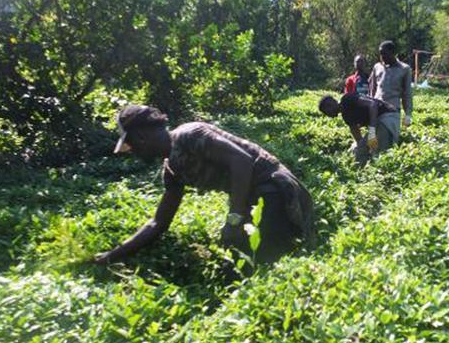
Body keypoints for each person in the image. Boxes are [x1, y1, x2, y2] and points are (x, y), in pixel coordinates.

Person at [92, 105, 314, 267]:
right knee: (240, 255)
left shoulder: (189, 134)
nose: (136, 153)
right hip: (254, 200)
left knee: (260, 258)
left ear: (140, 138)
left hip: (277, 188)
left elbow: (242, 161)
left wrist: (235, 218)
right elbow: (158, 222)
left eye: (132, 146)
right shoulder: (172, 170)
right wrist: (114, 255)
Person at [318, 93, 398, 164]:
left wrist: (372, 130)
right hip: (379, 123)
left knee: (379, 152)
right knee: (361, 151)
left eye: (326, 112)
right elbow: (359, 140)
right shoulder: (346, 117)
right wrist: (359, 148)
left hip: (387, 116)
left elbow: (373, 104)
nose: (328, 115)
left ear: (330, 105)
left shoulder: (347, 99)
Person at [368, 41, 413, 146]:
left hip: (392, 112)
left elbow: (407, 93)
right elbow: (372, 89)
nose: (382, 56)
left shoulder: (404, 69)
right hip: (376, 111)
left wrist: (408, 114)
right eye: (380, 54)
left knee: (386, 142)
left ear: (393, 53)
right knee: (372, 143)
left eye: (384, 53)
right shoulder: (377, 67)